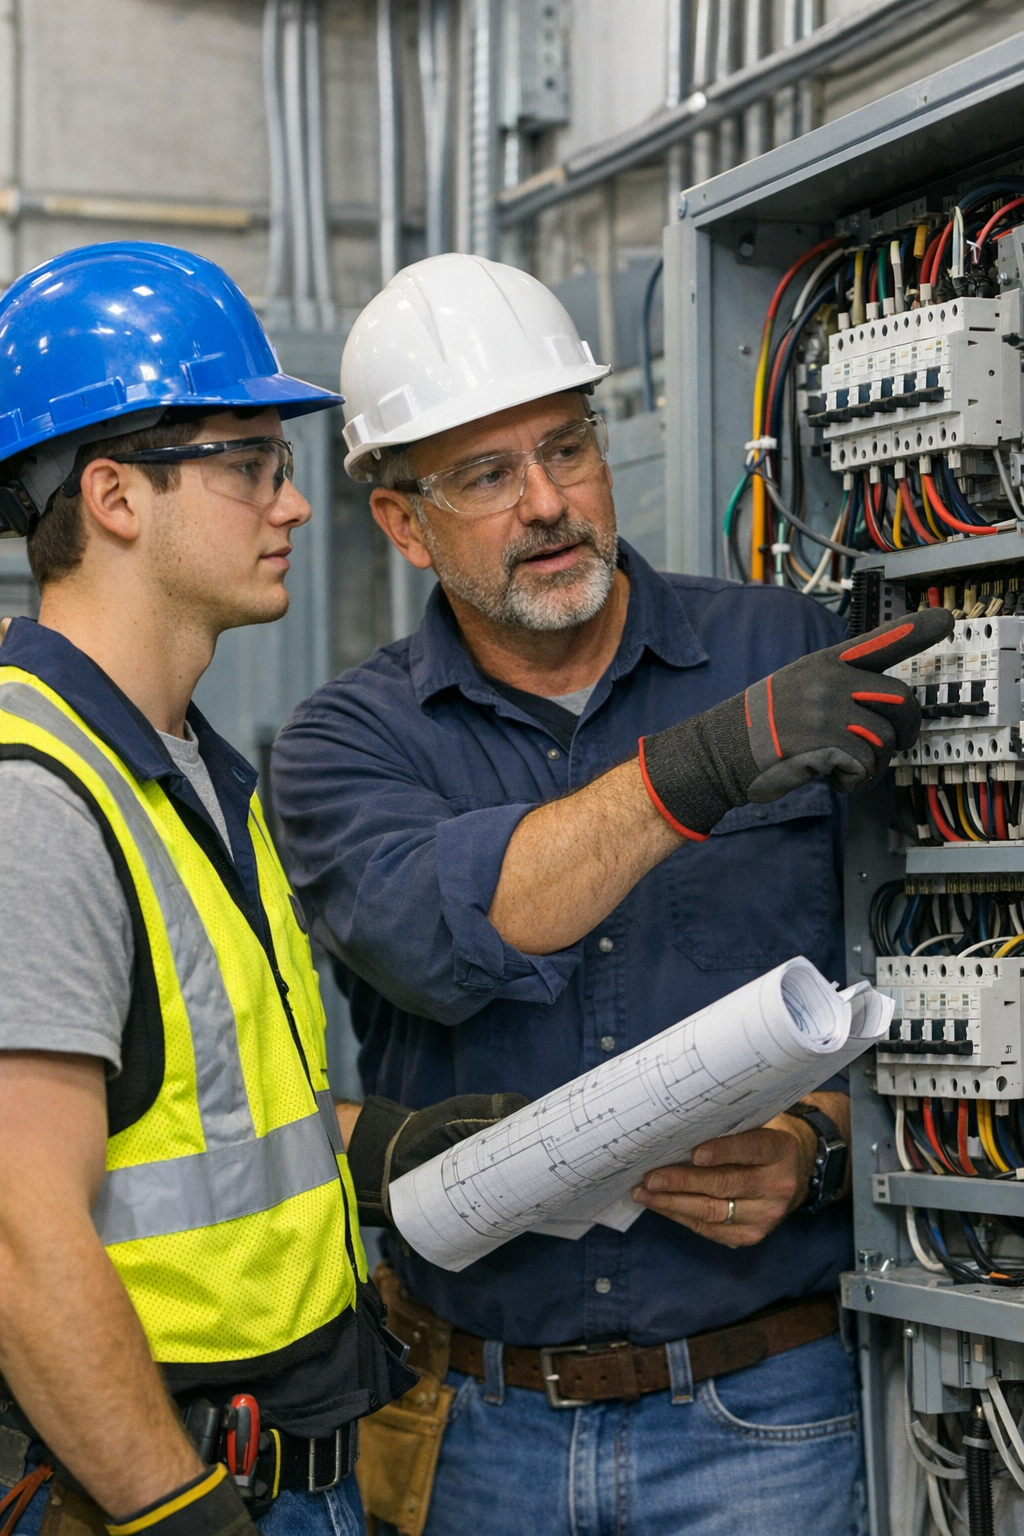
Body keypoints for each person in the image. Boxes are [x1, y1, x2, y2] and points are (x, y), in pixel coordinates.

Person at [271, 253, 949, 1536]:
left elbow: (925, 970)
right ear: (404, 522)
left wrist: (817, 1148)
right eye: (487, 475)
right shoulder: (345, 743)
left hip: (763, 1412)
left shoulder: (784, 656)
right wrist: (712, 761)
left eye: (567, 450)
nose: (548, 503)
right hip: (476, 1425)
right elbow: (450, 936)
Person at [0, 241, 526, 1536]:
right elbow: (18, 1229)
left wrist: (381, 1145)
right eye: (250, 465)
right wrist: (172, 1509)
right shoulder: (37, 798)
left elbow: (197, 1124)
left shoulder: (187, 768)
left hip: (292, 1469)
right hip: (169, 1487)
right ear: (114, 496)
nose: (291, 506)